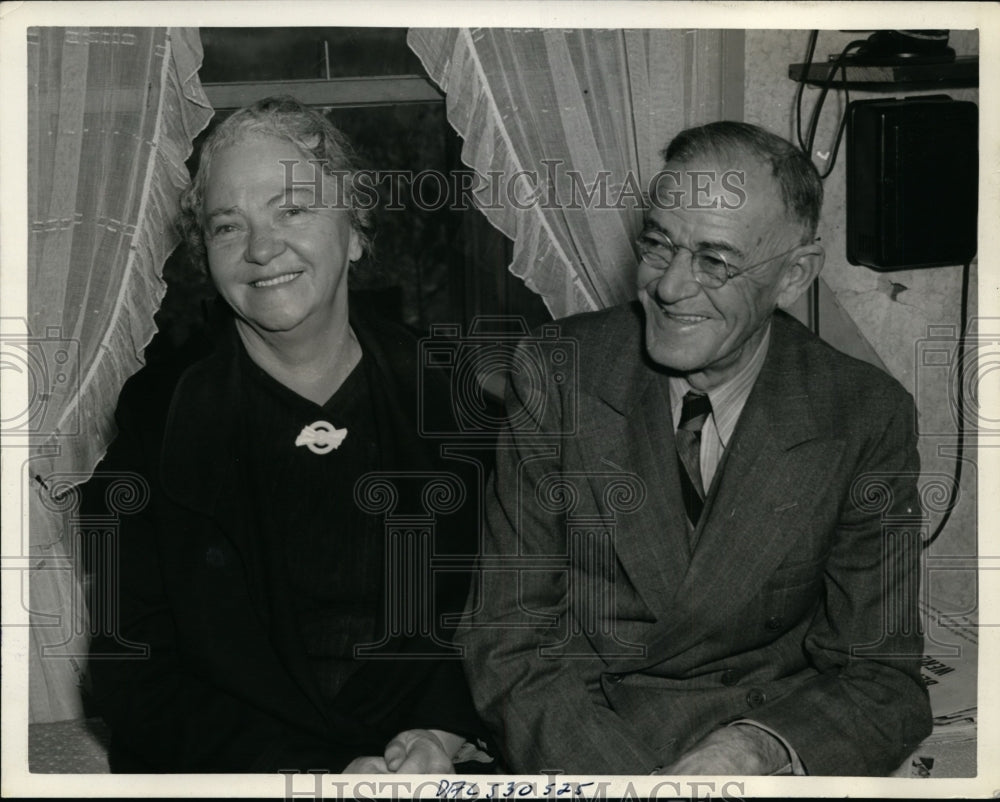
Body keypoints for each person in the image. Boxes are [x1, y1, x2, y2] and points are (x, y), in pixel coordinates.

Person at [456, 121, 933, 776]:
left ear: (793, 276)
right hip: (592, 746)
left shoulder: (862, 415)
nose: (671, 287)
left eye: (714, 261)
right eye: (658, 245)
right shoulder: (556, 373)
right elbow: (509, 642)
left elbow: (881, 677)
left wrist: (758, 748)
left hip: (759, 742)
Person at [84, 96, 484, 773]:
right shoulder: (154, 423)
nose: (262, 249)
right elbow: (132, 674)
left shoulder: (453, 400)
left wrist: (440, 728)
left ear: (356, 231)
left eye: (291, 210)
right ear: (203, 253)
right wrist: (310, 776)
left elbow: (510, 609)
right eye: (227, 226)